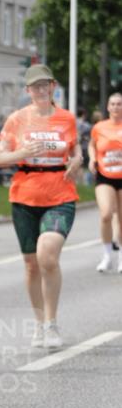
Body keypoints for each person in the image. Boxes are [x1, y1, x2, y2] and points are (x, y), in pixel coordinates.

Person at [0, 64, 81, 350]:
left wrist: (78, 160)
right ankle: (39, 322)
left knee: (47, 254)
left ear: (53, 86)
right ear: (28, 91)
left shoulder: (67, 118)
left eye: (46, 85)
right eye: (35, 86)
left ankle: (52, 323)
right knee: (31, 265)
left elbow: (75, 147)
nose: (41, 90)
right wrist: (22, 152)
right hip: (25, 196)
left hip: (60, 194)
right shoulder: (17, 119)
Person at [88, 92, 122, 273]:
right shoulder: (99, 127)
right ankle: (107, 255)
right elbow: (92, 145)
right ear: (108, 107)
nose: (116, 107)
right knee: (106, 214)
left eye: (119, 104)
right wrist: (92, 158)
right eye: (113, 104)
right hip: (105, 175)